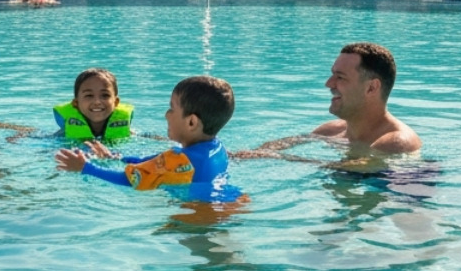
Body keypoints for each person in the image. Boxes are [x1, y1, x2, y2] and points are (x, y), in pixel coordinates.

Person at [56, 75, 242, 202]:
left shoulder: (179, 160)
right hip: (227, 202)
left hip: (196, 219)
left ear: (192, 122)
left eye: (171, 109)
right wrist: (117, 157)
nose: (166, 115)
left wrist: (85, 168)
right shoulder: (217, 148)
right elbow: (156, 161)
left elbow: (130, 180)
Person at [237, 42, 421, 164]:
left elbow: (347, 170)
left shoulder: (396, 141)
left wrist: (278, 157)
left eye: (340, 77)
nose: (328, 83)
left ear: (372, 88)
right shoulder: (331, 130)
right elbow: (285, 143)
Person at [54, 68, 133, 143]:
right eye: (89, 95)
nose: (97, 102)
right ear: (76, 103)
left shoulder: (130, 134)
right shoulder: (62, 135)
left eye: (105, 95)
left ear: (116, 102)